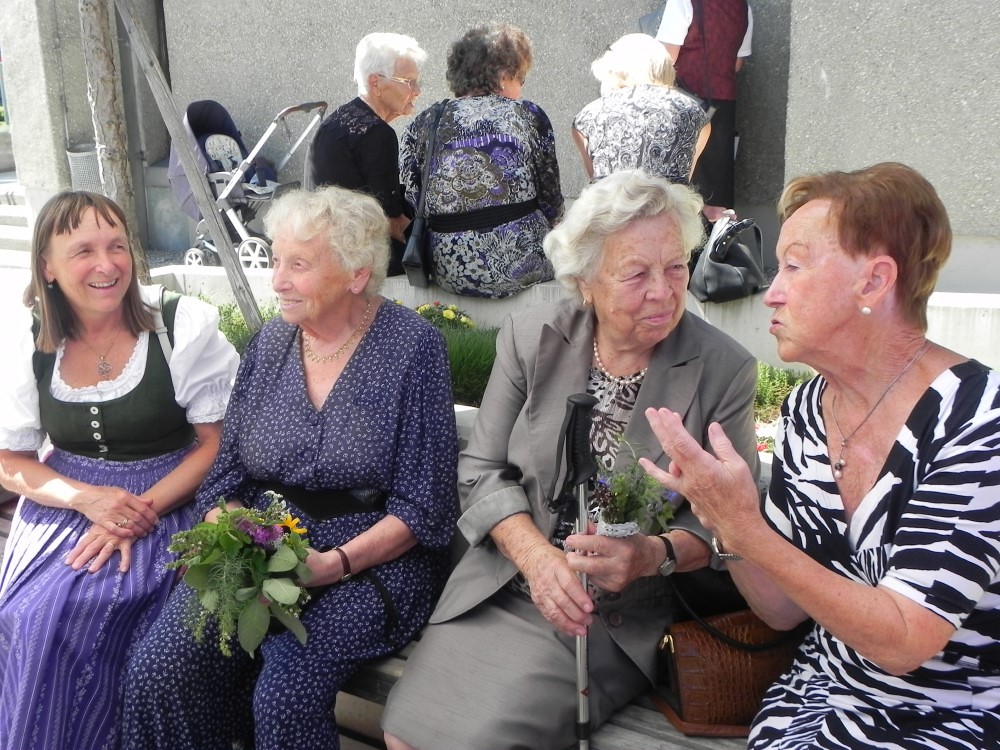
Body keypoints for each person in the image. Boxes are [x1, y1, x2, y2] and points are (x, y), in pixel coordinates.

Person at [382, 169, 760, 749]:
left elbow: (725, 526)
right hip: (505, 584)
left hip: (608, 614)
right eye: (636, 273)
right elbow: (480, 469)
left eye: (675, 267)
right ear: (585, 282)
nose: (663, 292)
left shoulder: (724, 369)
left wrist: (651, 555)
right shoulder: (531, 335)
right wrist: (536, 558)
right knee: (404, 731)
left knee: (483, 741)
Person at [641, 162, 1000, 749]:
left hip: (953, 715)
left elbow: (905, 640)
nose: (771, 292)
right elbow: (781, 611)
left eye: (795, 266)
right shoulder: (808, 409)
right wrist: (722, 520)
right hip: (818, 702)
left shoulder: (978, 421)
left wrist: (744, 527)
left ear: (873, 282)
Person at [122, 186, 459, 750]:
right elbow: (225, 478)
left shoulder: (413, 348)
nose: (277, 280)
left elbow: (425, 506)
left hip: (370, 558)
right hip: (258, 546)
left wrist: (334, 564)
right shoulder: (270, 342)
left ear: (356, 274)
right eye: (276, 260)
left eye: (298, 265)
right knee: (163, 666)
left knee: (285, 690)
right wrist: (243, 540)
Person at [0, 191, 239, 750]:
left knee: (97, 613)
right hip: (67, 499)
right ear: (47, 267)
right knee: (25, 616)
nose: (106, 264)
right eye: (83, 251)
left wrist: (134, 511)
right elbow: (9, 462)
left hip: (167, 497)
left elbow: (216, 444)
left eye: (116, 246)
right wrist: (86, 499)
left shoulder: (178, 323)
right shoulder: (27, 338)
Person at [399, 22, 564, 298]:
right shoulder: (527, 115)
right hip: (521, 261)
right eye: (520, 78)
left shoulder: (424, 121)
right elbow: (551, 200)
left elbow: (414, 197)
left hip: (449, 268)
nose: (522, 87)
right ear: (504, 75)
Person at [305, 32, 426, 276]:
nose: (417, 91)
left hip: (324, 250)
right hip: (357, 262)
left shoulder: (338, 120)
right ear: (375, 83)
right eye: (409, 81)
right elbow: (391, 221)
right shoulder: (376, 133)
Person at [654, 0, 753, 220]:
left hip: (683, 105)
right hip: (723, 106)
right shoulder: (742, 6)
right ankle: (718, 241)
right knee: (718, 188)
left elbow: (665, 59)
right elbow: (737, 63)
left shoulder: (683, 2)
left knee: (681, 190)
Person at [572, 33, 710, 183]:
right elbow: (684, 179)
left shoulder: (586, 117)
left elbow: (596, 181)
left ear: (614, 69)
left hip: (612, 198)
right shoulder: (694, 112)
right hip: (668, 198)